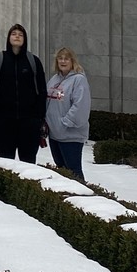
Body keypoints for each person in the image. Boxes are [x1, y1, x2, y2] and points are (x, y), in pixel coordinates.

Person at [0, 24, 47, 163]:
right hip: (3, 121)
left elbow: (42, 90)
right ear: (8, 38)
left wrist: (39, 116)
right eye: (14, 34)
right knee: (5, 161)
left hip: (29, 121)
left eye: (20, 34)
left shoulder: (33, 61)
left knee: (28, 162)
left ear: (25, 39)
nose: (17, 36)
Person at [46, 47, 91, 181]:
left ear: (72, 61)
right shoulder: (54, 79)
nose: (63, 61)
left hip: (71, 135)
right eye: (60, 58)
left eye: (66, 58)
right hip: (54, 135)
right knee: (61, 171)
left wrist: (64, 123)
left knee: (73, 171)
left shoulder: (79, 80)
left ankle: (83, 198)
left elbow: (80, 105)